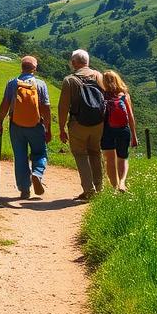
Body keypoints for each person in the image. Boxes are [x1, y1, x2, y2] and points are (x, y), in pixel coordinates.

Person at [0, 55, 51, 199]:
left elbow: (4, 104)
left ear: (22, 67)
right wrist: (48, 128)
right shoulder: (40, 84)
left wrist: (0, 122)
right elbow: (45, 107)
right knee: (40, 153)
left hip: (16, 125)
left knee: (20, 157)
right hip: (36, 125)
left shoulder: (12, 83)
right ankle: (37, 173)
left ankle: (24, 189)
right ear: (34, 68)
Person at [58, 49, 106, 200]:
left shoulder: (69, 80)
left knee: (80, 155)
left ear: (73, 63)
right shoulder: (99, 76)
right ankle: (99, 188)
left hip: (78, 123)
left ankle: (88, 190)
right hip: (99, 123)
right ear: (88, 61)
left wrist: (61, 128)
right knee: (95, 153)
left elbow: (63, 107)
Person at [100, 70, 138, 192]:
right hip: (123, 130)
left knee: (110, 159)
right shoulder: (124, 95)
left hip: (107, 130)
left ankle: (114, 187)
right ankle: (122, 183)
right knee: (123, 157)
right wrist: (134, 136)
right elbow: (130, 117)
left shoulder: (102, 95)